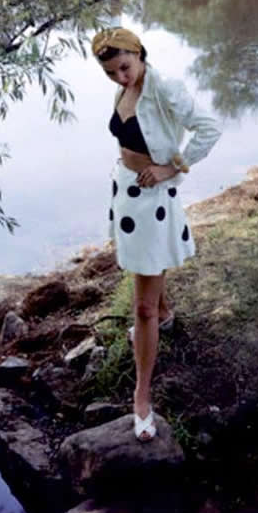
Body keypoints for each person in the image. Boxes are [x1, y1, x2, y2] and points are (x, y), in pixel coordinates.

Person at [91, 27, 221, 442]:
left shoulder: (165, 87)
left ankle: (141, 397)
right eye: (111, 73)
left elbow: (210, 128)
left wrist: (171, 168)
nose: (120, 77)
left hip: (152, 199)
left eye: (124, 67)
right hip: (126, 192)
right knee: (145, 268)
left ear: (140, 54)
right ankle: (163, 313)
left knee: (140, 308)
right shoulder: (124, 88)